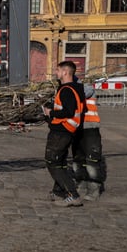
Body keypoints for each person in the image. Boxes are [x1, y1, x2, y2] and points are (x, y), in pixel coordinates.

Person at [41, 61, 85, 206]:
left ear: (65, 72)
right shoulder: (77, 89)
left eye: (58, 70)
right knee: (60, 162)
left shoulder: (67, 90)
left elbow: (68, 111)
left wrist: (50, 112)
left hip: (62, 131)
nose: (56, 72)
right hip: (68, 131)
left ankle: (72, 194)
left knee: (52, 161)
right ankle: (58, 191)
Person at [72, 83, 106, 200]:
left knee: (92, 160)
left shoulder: (86, 88)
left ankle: (94, 190)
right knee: (78, 159)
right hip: (77, 128)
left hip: (90, 127)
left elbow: (79, 95)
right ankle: (80, 185)